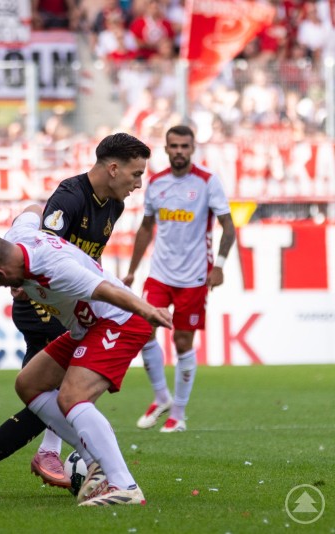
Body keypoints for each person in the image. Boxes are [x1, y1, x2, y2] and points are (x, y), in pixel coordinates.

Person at [0, 133, 152, 495]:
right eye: (136, 174)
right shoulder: (69, 198)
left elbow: (76, 258)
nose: (139, 183)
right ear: (114, 168)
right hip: (44, 304)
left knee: (38, 389)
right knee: (61, 394)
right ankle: (80, 462)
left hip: (71, 300)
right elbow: (51, 257)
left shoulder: (113, 205)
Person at [0, 205, 173, 506]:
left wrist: (148, 311)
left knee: (72, 396)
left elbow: (107, 290)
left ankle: (124, 486)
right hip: (86, 327)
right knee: (28, 384)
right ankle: (94, 462)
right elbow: (33, 209)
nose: (1, 288)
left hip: (118, 321)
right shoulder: (19, 235)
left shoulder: (54, 270)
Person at [123, 125, 236, 433]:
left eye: (184, 146)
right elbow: (146, 229)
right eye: (174, 146)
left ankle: (179, 414)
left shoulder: (207, 182)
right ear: (166, 148)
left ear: (192, 148)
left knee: (183, 341)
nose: (179, 151)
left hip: (195, 276)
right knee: (143, 330)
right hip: (159, 274)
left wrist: (221, 265)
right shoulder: (156, 183)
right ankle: (161, 397)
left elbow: (228, 226)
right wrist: (133, 270)